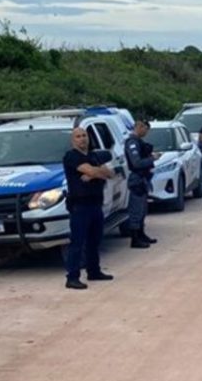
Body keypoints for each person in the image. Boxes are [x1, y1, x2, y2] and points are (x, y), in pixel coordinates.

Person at [62, 126, 115, 288]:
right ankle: (72, 277)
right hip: (80, 205)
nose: (82, 139)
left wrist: (93, 174)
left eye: (84, 135)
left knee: (94, 241)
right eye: (78, 136)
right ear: (73, 140)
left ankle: (94, 271)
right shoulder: (71, 156)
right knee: (77, 243)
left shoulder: (94, 155)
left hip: (96, 203)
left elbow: (110, 174)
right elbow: (93, 171)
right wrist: (96, 173)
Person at [125, 119, 158, 248]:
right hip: (137, 178)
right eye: (145, 129)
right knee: (136, 209)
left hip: (143, 178)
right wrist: (152, 159)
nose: (146, 132)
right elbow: (136, 163)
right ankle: (135, 238)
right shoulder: (132, 142)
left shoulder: (139, 141)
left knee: (143, 209)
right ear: (139, 127)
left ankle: (141, 234)